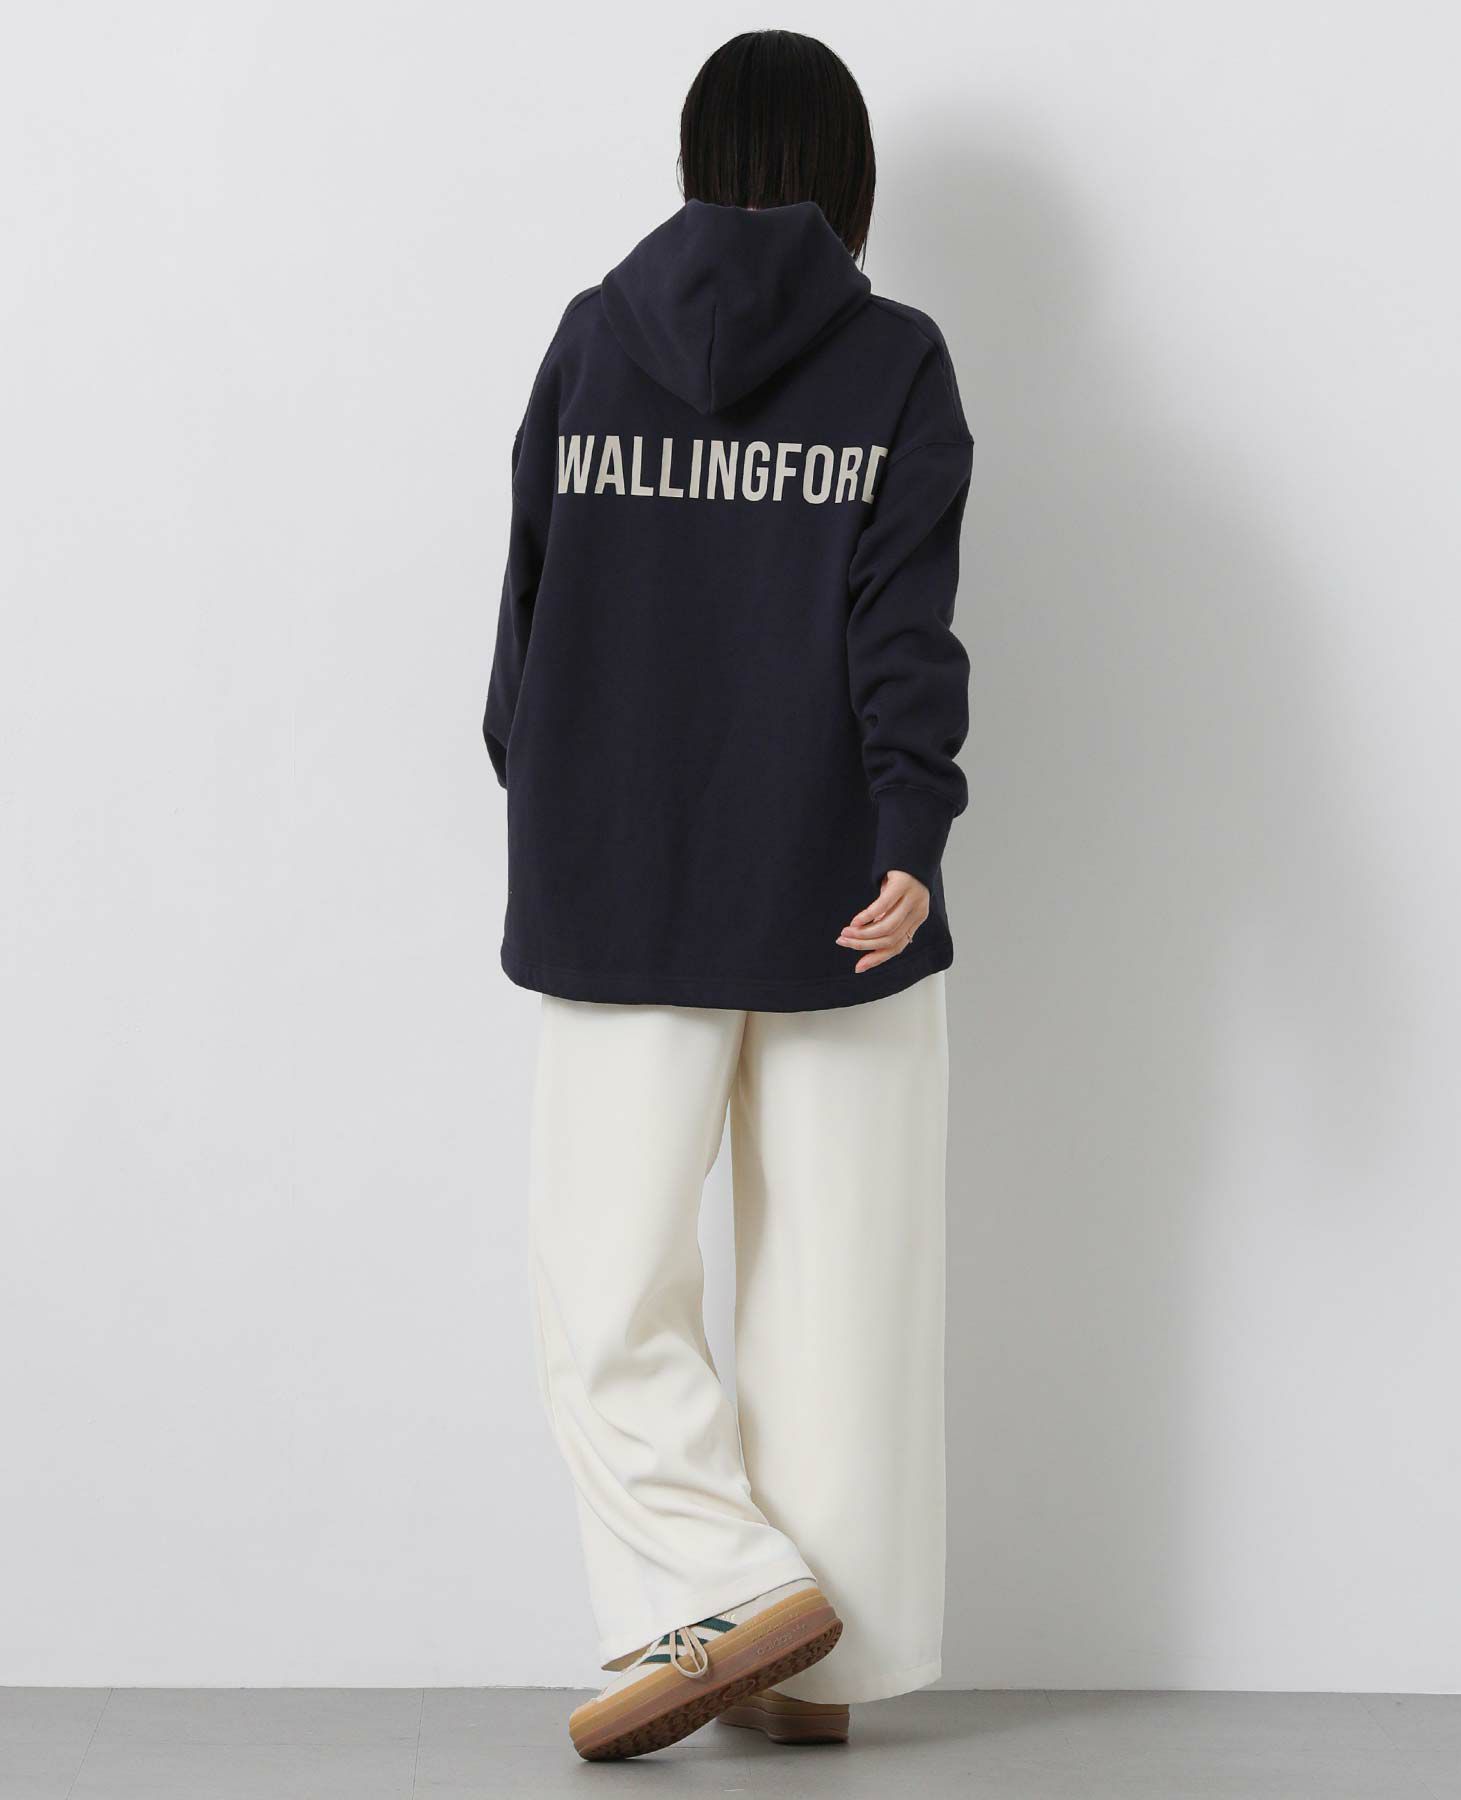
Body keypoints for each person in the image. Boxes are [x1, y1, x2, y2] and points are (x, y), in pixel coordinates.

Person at [483, 29, 972, 1762]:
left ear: (696, 160)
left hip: (618, 872)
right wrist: (909, 827)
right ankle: (807, 1660)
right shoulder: (896, 359)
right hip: (849, 887)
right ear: (849, 179)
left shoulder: (591, 339)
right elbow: (903, 624)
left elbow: (528, 610)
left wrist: (552, 792)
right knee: (842, 1280)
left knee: (605, 1277)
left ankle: (721, 1585)